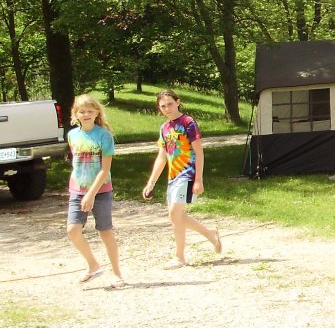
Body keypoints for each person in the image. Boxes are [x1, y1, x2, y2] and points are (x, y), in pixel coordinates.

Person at [142, 89, 222, 268]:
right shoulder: (164, 128)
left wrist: (198, 179)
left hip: (187, 174)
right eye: (163, 106)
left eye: (170, 104)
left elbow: (199, 152)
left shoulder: (188, 123)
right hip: (173, 176)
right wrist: (151, 182)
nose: (167, 108)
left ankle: (179, 257)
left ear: (177, 102)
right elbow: (161, 157)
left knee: (174, 214)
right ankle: (210, 234)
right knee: (176, 216)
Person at [66, 94, 125, 289]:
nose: (86, 114)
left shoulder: (104, 135)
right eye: (82, 111)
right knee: (73, 230)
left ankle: (117, 273)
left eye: (90, 111)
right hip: (77, 189)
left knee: (105, 231)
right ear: (76, 114)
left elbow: (105, 169)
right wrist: (82, 192)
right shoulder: (72, 135)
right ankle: (93, 265)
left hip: (100, 190)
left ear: (97, 113)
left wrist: (91, 193)